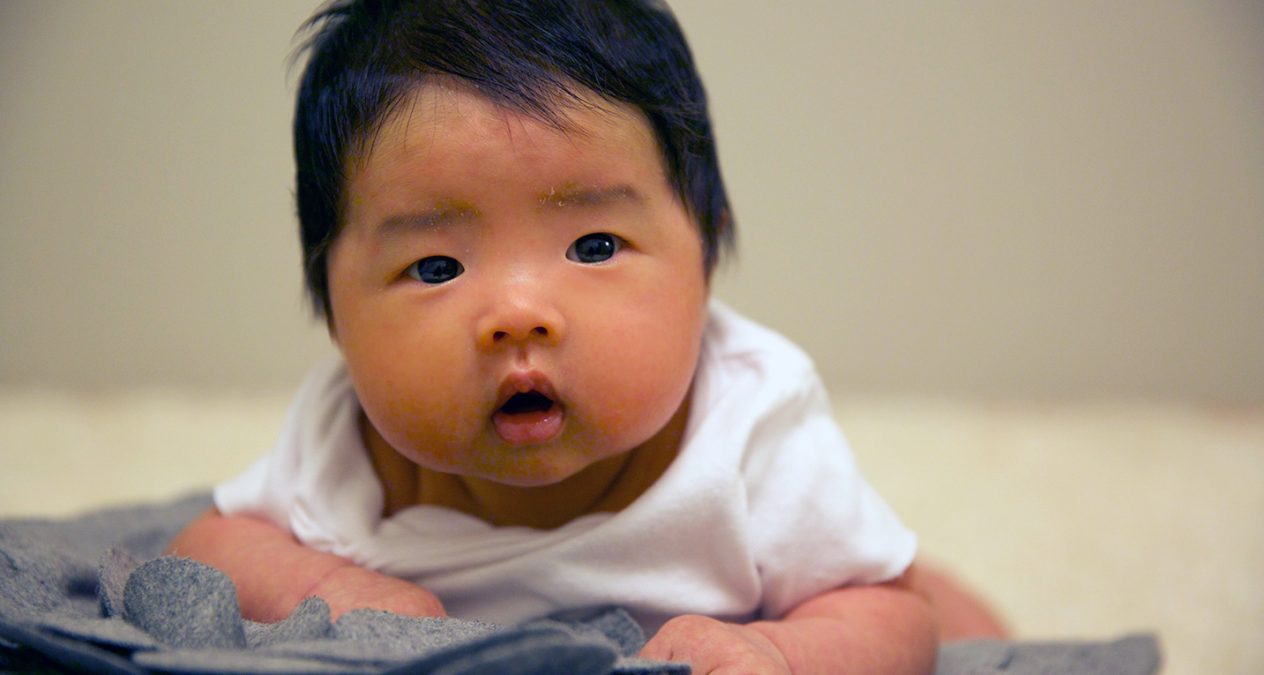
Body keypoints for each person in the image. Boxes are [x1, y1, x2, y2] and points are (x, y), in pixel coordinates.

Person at [171, 1, 1001, 671]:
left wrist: (775, 648)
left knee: (951, 618)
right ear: (333, 303)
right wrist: (328, 585)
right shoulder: (346, 442)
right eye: (435, 266)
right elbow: (208, 547)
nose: (518, 313)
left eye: (594, 247)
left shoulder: (749, 424)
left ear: (704, 253)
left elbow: (888, 617)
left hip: (759, 597)